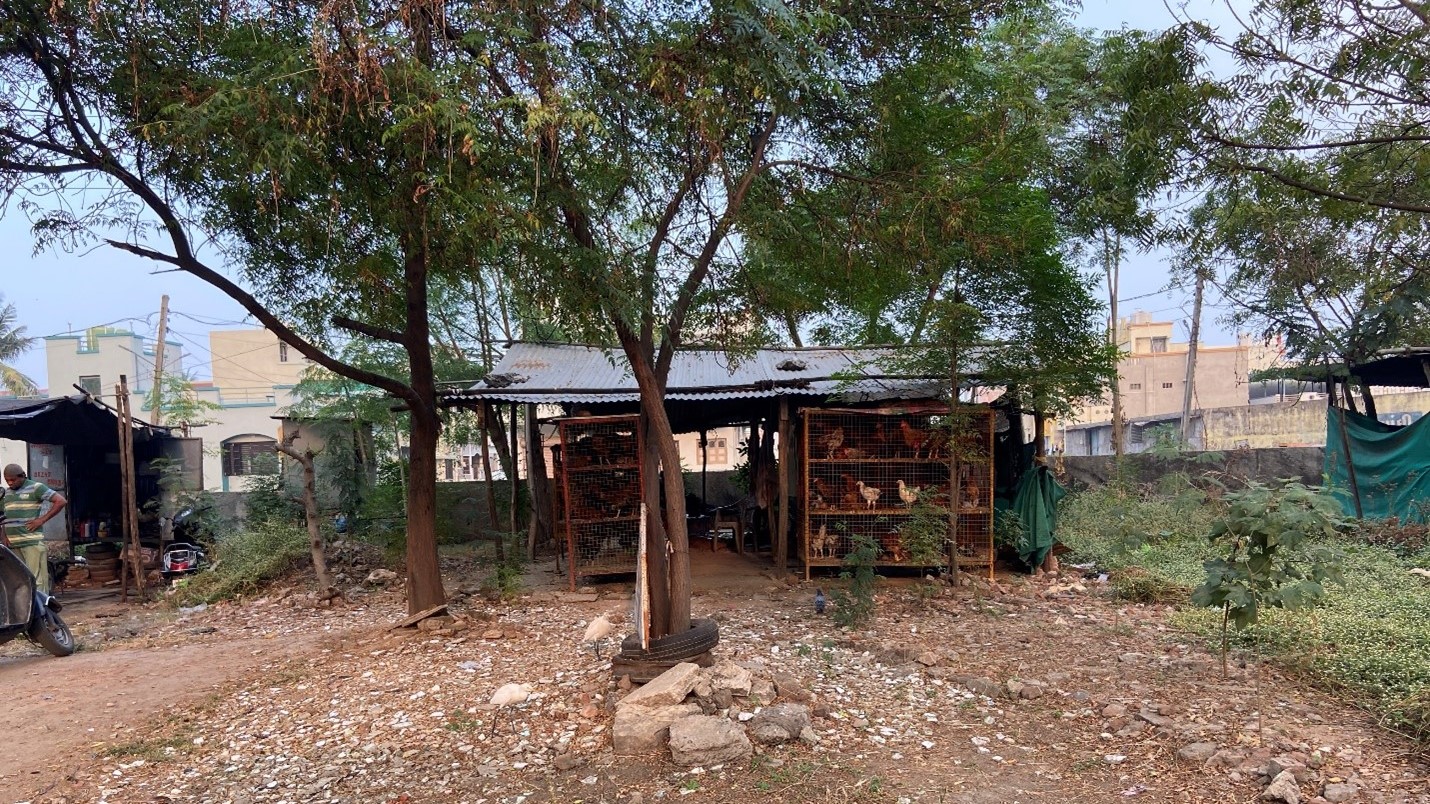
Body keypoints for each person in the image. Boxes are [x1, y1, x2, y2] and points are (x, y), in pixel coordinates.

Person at [0, 464, 67, 594]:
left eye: (13, 480)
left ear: (22, 476)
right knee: (18, 580)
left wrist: (41, 519)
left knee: (37, 579)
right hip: (13, 544)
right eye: (7, 480)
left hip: (31, 543)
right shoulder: (6, 494)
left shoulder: (36, 488)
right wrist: (3, 536)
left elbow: (61, 501)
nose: (10, 483)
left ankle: (41, 609)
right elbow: (2, 516)